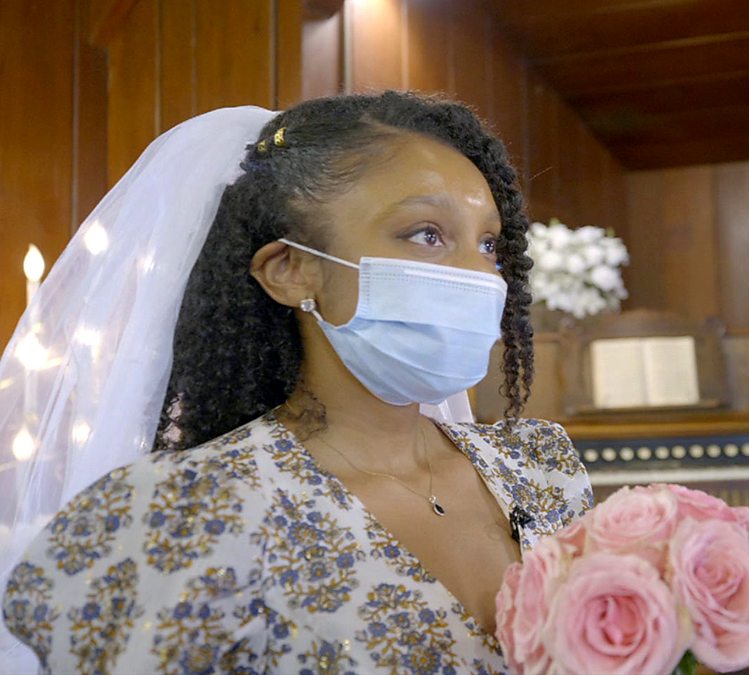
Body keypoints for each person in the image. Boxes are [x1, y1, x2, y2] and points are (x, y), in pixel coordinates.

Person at [1, 92, 592, 673]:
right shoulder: (191, 511)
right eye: (426, 234)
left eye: (488, 245)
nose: (478, 275)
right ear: (290, 270)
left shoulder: (539, 468)